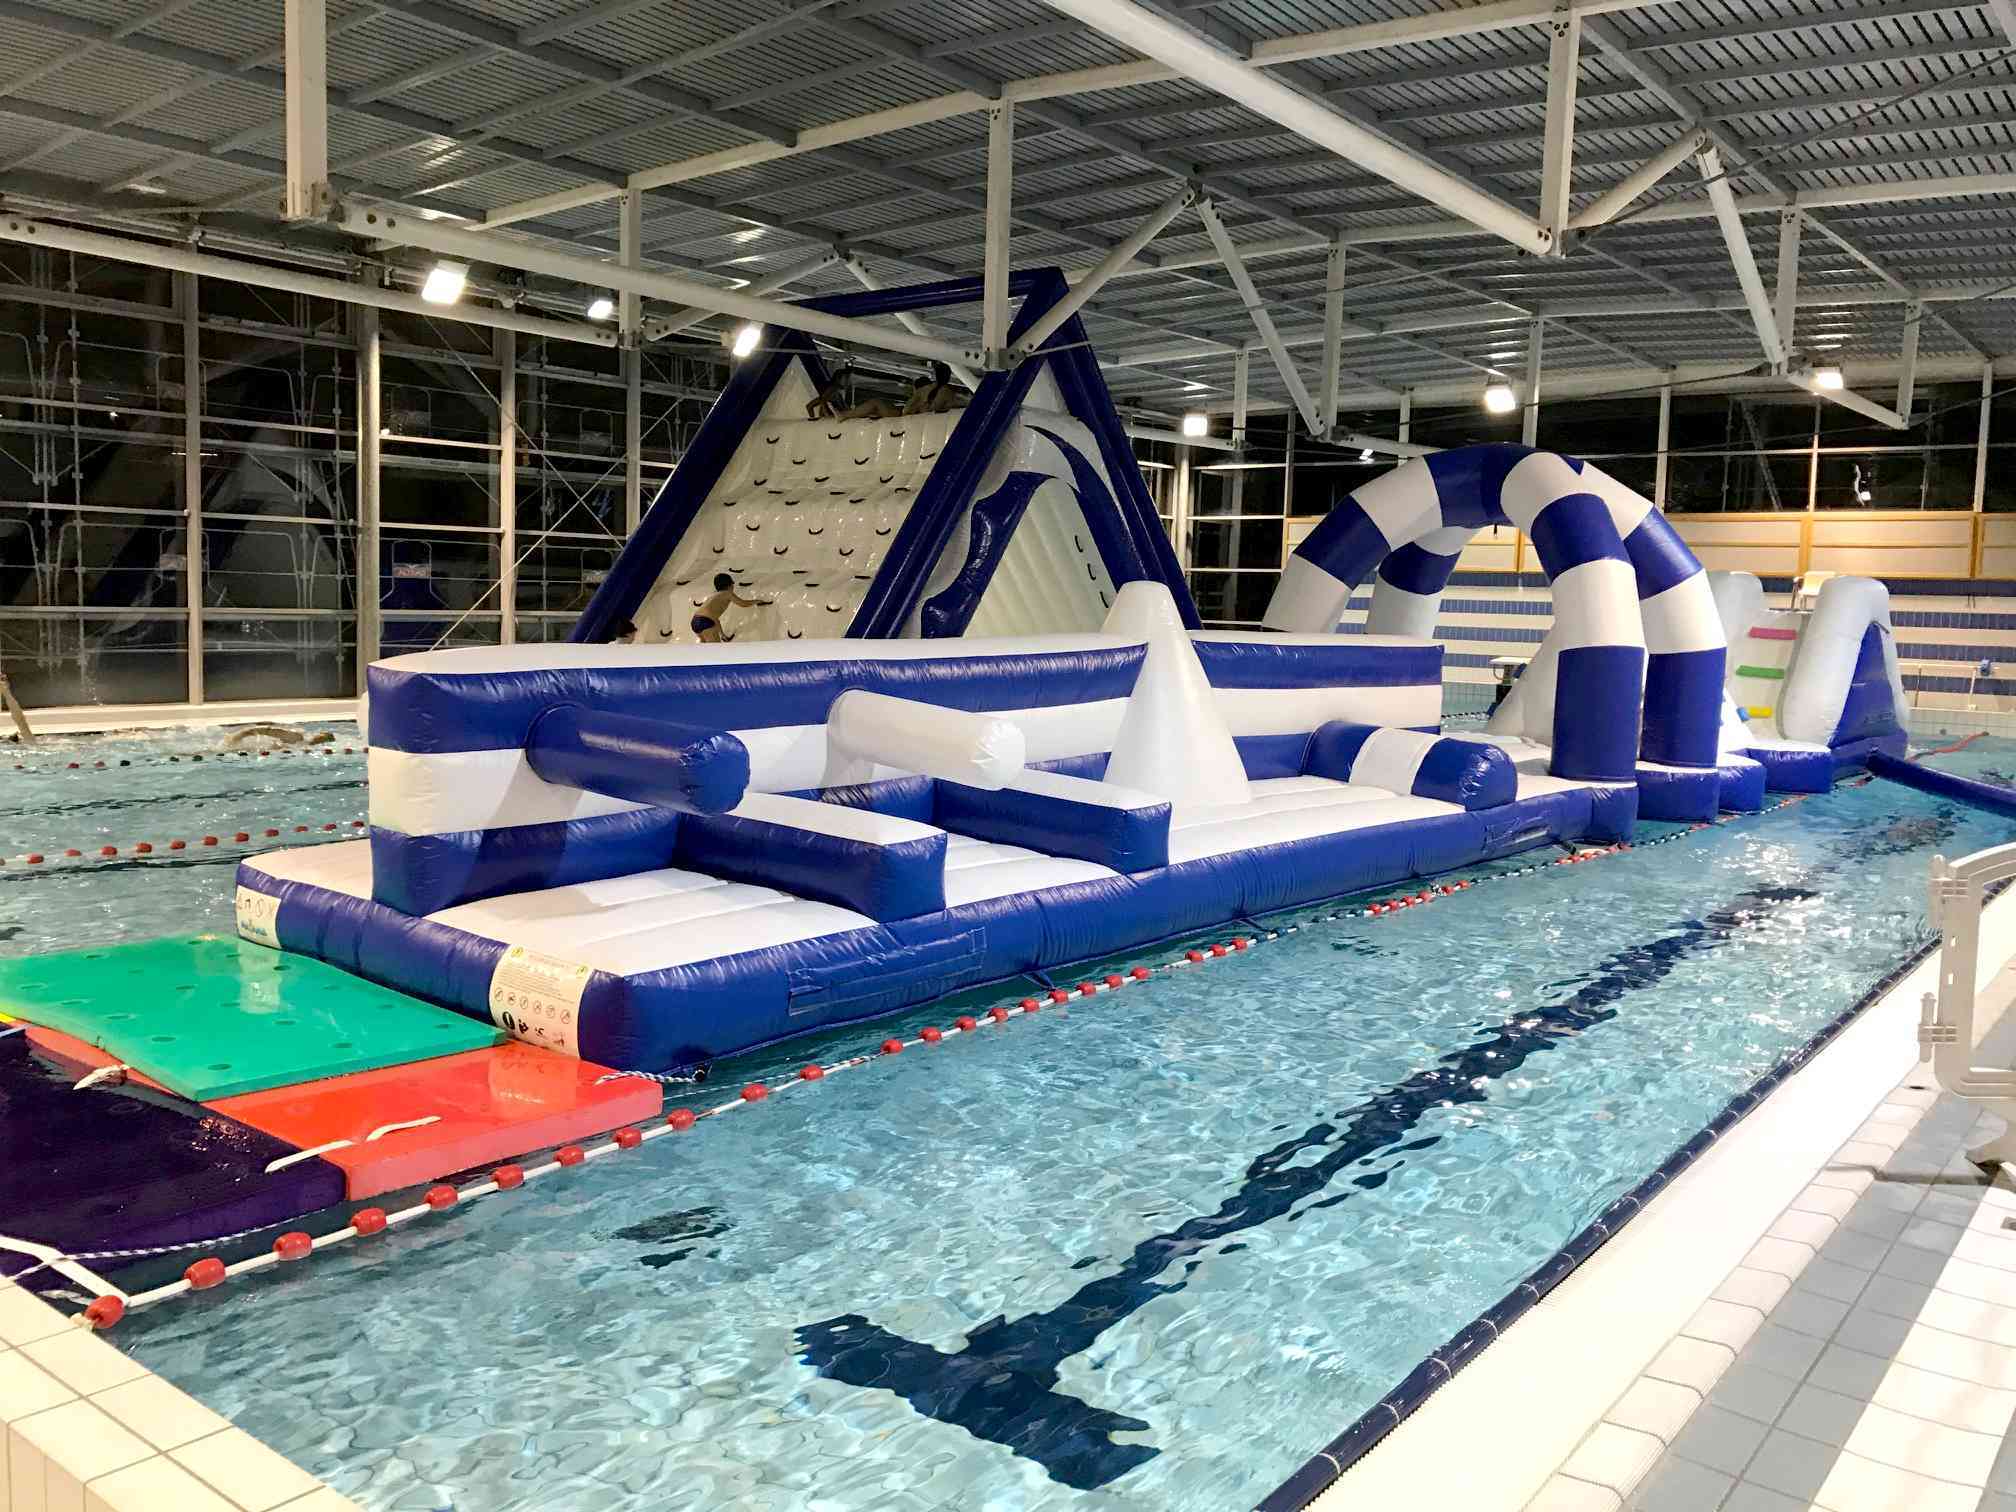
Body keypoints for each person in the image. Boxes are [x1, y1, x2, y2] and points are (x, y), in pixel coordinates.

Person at [692, 573, 763, 643]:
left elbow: (714, 619)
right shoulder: (727, 593)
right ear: (729, 585)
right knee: (715, 648)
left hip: (695, 621)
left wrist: (722, 634)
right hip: (705, 621)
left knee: (703, 647)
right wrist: (757, 601)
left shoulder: (714, 596)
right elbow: (743, 604)